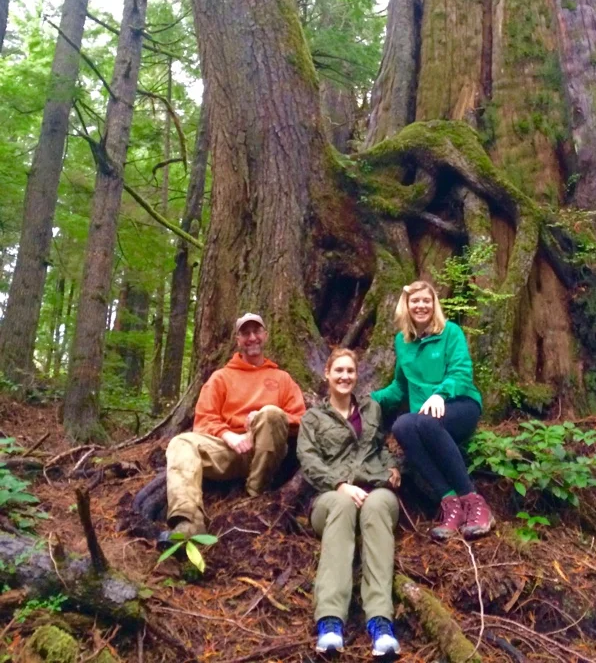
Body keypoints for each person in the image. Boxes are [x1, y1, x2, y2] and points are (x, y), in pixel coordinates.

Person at [297, 347, 401, 657]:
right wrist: (340, 485)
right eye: (339, 371)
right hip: (330, 500)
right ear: (326, 374)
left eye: (350, 371)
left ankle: (380, 622)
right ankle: (330, 622)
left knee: (378, 504)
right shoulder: (313, 418)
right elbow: (308, 458)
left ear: (357, 376)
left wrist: (394, 466)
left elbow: (381, 447)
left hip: (374, 492)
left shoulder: (371, 410)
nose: (345, 376)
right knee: (342, 507)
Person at [371, 280, 494, 541]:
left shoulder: (450, 332)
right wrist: (366, 400)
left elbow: (462, 373)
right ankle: (450, 504)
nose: (421, 305)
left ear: (434, 304)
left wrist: (441, 393)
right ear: (406, 306)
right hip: (424, 420)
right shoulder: (402, 342)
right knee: (402, 425)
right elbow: (399, 388)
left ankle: (475, 503)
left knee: (424, 422)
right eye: (415, 301)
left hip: (459, 405)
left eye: (426, 300)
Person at [165, 312, 306, 538]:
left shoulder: (281, 378)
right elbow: (204, 418)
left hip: (267, 453)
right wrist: (228, 435)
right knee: (181, 442)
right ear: (238, 340)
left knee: (271, 413)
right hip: (229, 451)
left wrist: (262, 419)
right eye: (245, 333)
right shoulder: (221, 377)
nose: (252, 338)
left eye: (256, 331)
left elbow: (300, 417)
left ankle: (255, 494)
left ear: (266, 335)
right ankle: (188, 522)